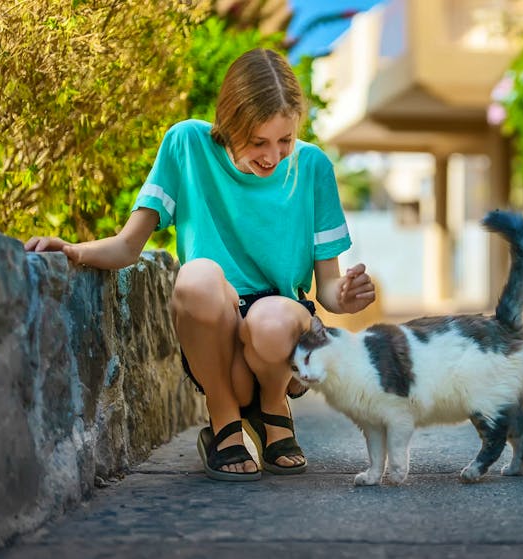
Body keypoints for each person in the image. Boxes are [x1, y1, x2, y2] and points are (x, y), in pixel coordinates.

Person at [25, 48, 376, 481]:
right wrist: (74, 251)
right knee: (195, 277)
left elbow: (327, 289)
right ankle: (224, 419)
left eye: (284, 141)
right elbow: (128, 246)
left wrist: (344, 297)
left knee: (268, 320)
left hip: (280, 341)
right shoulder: (186, 144)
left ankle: (273, 408)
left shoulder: (314, 168)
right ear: (229, 123)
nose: (272, 156)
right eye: (257, 142)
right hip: (217, 337)